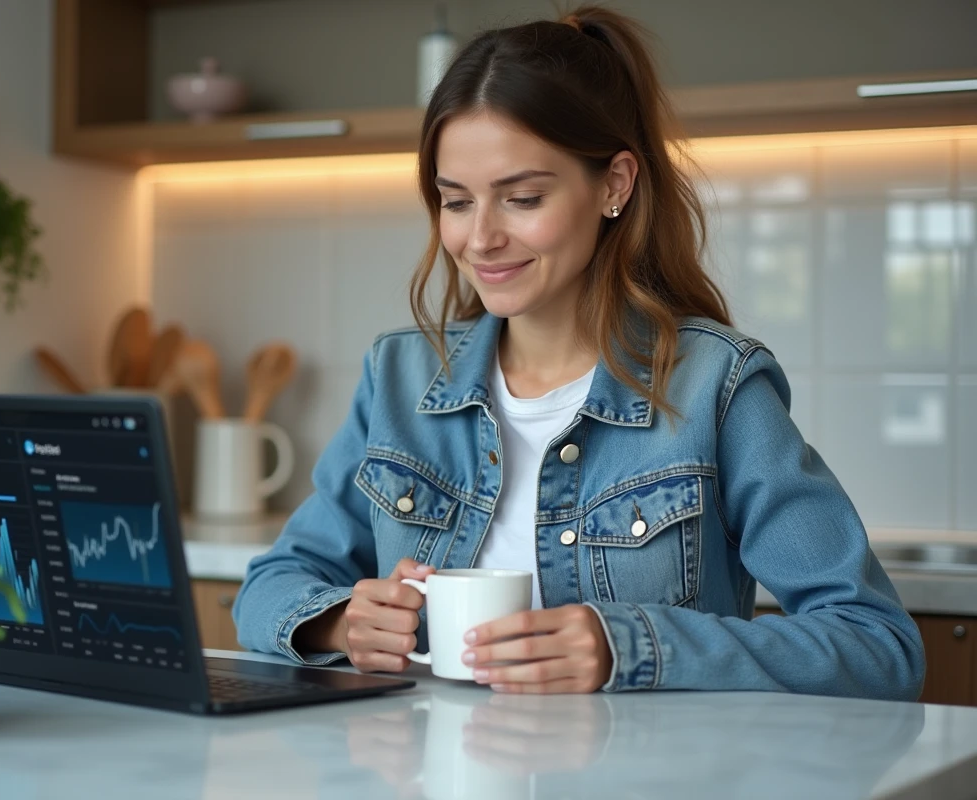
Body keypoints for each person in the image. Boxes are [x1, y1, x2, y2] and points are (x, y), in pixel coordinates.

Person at [232, 5, 925, 698]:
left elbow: (877, 645)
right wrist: (340, 623)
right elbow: (270, 586)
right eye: (457, 202)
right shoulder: (401, 378)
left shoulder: (714, 385)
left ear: (614, 184)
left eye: (523, 198)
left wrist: (630, 647)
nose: (481, 239)